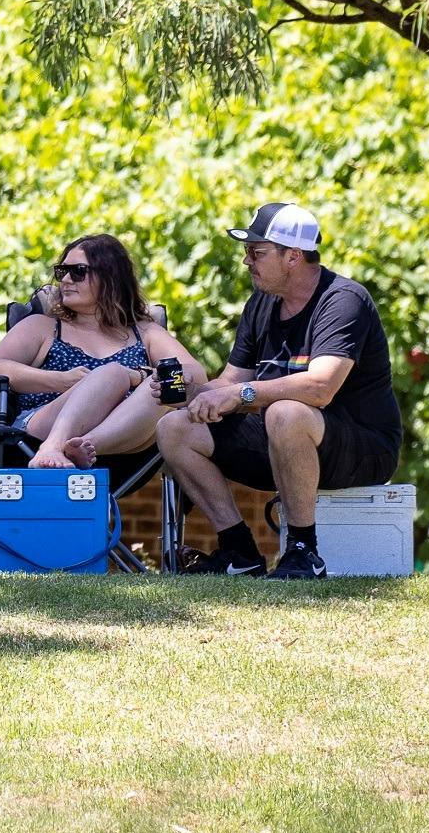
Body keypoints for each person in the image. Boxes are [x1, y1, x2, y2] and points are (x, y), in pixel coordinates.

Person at [157, 203, 404, 579]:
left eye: (256, 252)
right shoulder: (261, 303)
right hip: (283, 441)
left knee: (285, 412)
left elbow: (320, 388)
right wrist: (194, 393)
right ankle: (239, 552)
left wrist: (240, 395)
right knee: (174, 428)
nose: (246, 261)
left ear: (293, 256)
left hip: (363, 448)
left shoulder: (343, 300)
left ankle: (304, 552)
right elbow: (231, 381)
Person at [0, 235, 199, 468]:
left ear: (111, 277)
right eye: (62, 271)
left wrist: (139, 375)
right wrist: (61, 380)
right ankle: (54, 445)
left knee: (163, 384)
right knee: (113, 373)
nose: (66, 280)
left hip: (122, 443)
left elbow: (195, 375)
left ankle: (82, 446)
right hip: (38, 433)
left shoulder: (146, 332)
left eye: (78, 271)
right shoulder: (44, 326)